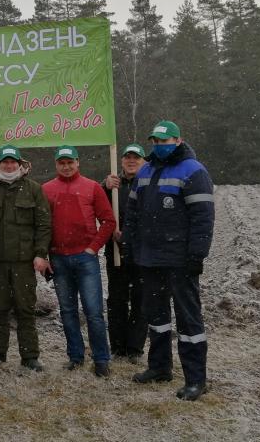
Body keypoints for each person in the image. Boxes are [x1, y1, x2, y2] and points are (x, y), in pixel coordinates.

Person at [123, 120, 215, 401]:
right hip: (150, 260)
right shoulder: (146, 170)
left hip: (180, 261)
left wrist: (196, 255)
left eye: (164, 142)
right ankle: (159, 367)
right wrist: (131, 248)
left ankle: (195, 379)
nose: (159, 147)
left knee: (189, 321)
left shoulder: (194, 171)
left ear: (177, 140)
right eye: (156, 142)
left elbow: (203, 219)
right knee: (157, 318)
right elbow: (133, 214)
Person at [43, 145, 116, 377]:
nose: (66, 167)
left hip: (85, 259)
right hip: (58, 259)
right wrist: (45, 254)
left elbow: (108, 221)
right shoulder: (46, 189)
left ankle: (101, 358)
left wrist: (93, 248)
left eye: (70, 162)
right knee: (67, 311)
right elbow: (42, 226)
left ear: (77, 162)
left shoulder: (92, 187)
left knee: (93, 312)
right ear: (56, 164)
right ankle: (75, 356)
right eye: (62, 163)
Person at [0, 144, 51, 372]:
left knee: (25, 309)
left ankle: (30, 356)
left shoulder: (34, 189)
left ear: (21, 164)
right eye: (5, 162)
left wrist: (41, 254)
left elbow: (43, 225)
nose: (9, 166)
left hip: (24, 261)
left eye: (13, 162)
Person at [102, 144, 148, 362]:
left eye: (136, 158)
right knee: (117, 301)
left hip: (143, 253)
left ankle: (135, 348)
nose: (131, 161)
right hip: (116, 253)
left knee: (141, 300)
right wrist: (104, 186)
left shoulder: (149, 183)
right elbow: (98, 208)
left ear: (144, 161)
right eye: (127, 157)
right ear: (120, 161)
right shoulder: (113, 185)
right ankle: (118, 347)